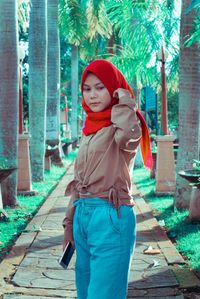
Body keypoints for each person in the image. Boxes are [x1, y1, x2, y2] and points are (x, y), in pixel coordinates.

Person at [62, 59, 152, 299]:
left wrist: (124, 99)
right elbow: (78, 180)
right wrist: (69, 224)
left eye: (100, 87)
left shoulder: (123, 124)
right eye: (87, 88)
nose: (92, 95)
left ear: (114, 88)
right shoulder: (90, 127)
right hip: (83, 215)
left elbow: (130, 140)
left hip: (111, 215)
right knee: (85, 293)